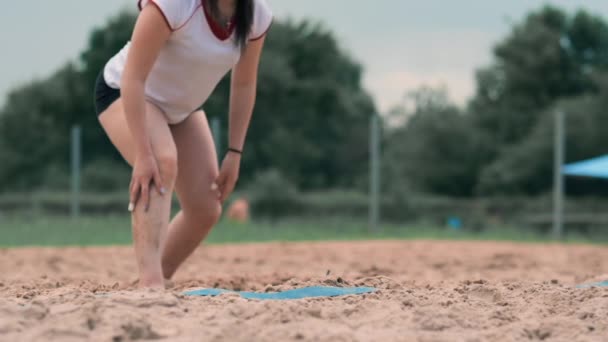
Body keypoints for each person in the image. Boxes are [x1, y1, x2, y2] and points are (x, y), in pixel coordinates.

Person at [93, 0, 272, 288]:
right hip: (125, 92)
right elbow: (133, 78)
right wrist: (143, 152)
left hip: (180, 109)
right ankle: (151, 285)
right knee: (161, 161)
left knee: (205, 208)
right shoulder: (174, 4)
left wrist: (234, 153)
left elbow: (244, 84)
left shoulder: (256, 15)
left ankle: (155, 276)